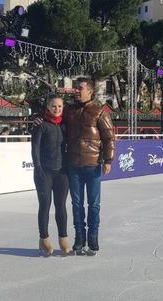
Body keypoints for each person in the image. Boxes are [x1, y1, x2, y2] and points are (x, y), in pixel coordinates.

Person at [65, 78, 116, 256]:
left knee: (93, 204)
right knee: (77, 204)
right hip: (73, 165)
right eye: (75, 89)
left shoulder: (100, 112)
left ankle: (93, 238)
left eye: (80, 88)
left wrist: (108, 160)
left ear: (90, 91)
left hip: (93, 165)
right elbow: (54, 120)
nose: (76, 91)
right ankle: (79, 238)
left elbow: (109, 137)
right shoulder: (69, 111)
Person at [31, 96, 70, 256]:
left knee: (61, 206)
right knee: (45, 205)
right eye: (54, 106)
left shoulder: (65, 125)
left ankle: (63, 238)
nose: (57, 109)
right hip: (44, 172)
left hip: (62, 172)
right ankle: (44, 238)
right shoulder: (40, 125)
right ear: (48, 107)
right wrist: (38, 168)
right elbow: (35, 149)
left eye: (60, 106)